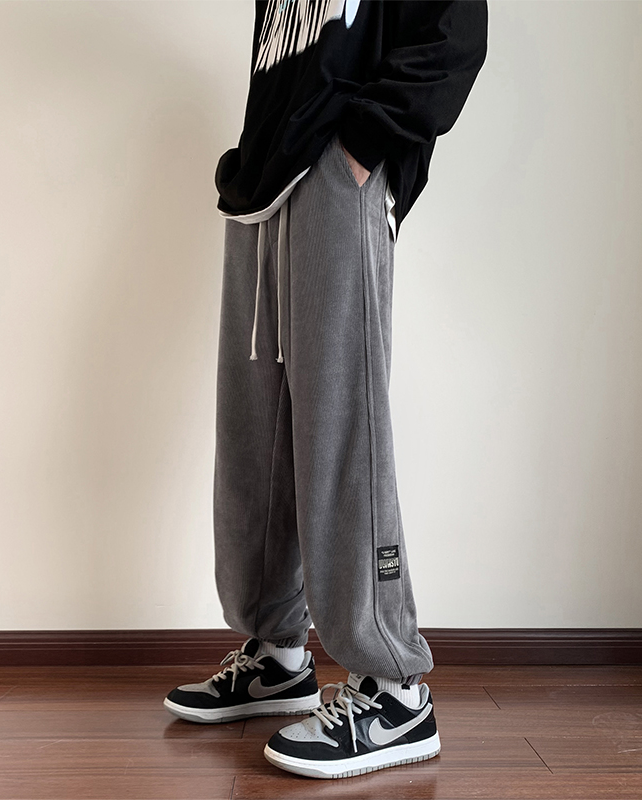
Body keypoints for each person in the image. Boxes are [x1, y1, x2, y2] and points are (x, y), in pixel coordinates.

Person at [164, 0, 488, 779]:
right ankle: (279, 654)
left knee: (341, 428)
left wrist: (362, 149)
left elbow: (454, 37)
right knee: (254, 435)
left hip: (340, 173)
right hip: (262, 186)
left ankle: (394, 689)